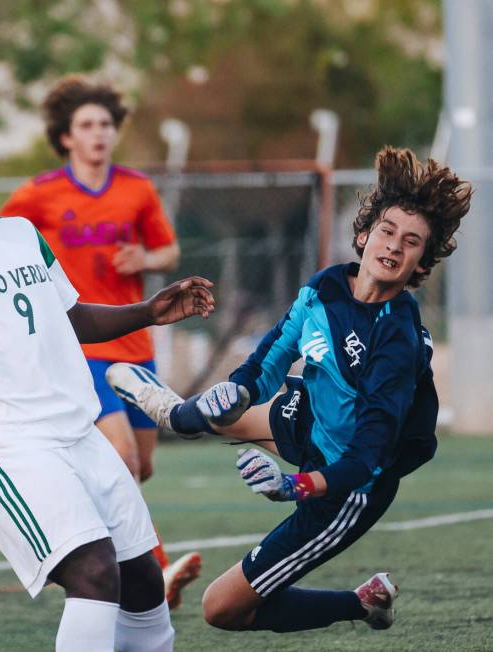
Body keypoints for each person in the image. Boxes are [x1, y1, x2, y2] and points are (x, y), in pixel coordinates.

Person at [0, 105, 215, 651]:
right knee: (95, 574)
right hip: (6, 446)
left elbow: (71, 317)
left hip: (79, 431)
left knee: (143, 580)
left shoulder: (21, 234)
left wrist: (149, 310)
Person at [106, 146, 472, 635]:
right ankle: (176, 414)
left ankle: (362, 603)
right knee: (211, 413)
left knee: (222, 609)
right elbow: (272, 357)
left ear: (421, 263)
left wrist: (291, 486)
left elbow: (364, 459)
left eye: (411, 242)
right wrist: (237, 389)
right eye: (387, 231)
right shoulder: (325, 287)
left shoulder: (397, 341)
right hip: (307, 417)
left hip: (345, 485)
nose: (393, 247)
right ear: (363, 235)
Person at [0, 76, 201, 609]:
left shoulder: (136, 188)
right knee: (122, 457)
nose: (98, 134)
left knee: (141, 466)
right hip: (78, 346)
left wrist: (145, 259)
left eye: (106, 124)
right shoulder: (40, 194)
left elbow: (169, 251)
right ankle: (151, 571)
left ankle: (110, 555)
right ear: (66, 137)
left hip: (134, 343)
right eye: (87, 125)